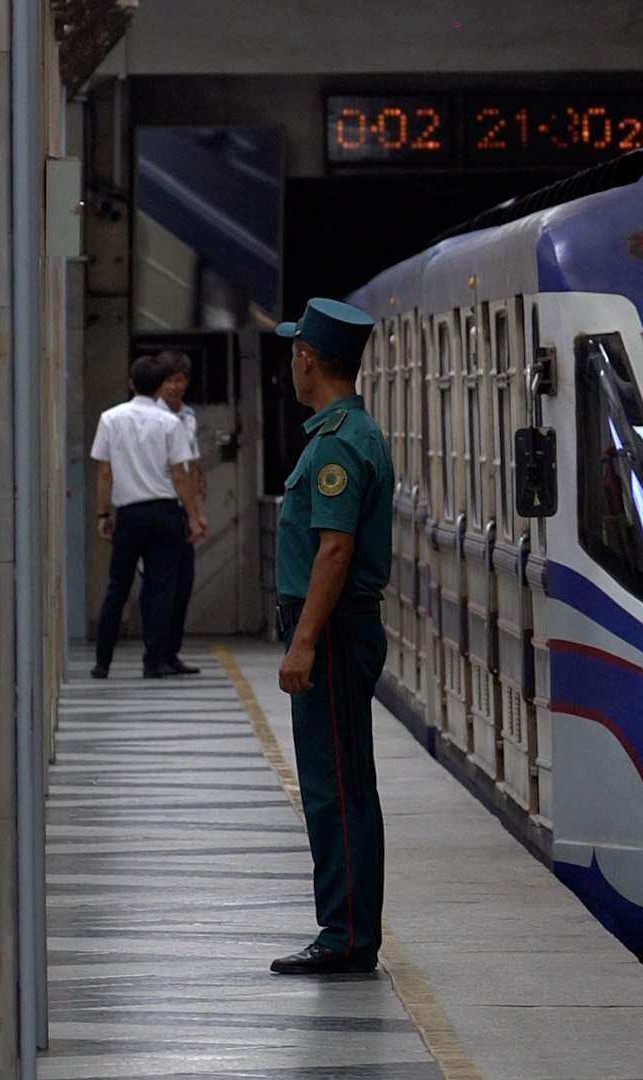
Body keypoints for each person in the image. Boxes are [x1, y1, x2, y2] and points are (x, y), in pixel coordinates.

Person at [269, 297, 393, 975]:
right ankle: (349, 928)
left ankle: (345, 935)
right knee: (344, 783)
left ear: (307, 359)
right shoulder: (346, 432)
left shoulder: (339, 443)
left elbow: (335, 549)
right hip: (340, 629)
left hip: (335, 631)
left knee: (334, 787)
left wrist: (304, 641)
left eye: (294, 353)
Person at [90, 354, 207, 679]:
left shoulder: (110, 418)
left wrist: (102, 513)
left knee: (117, 587)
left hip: (128, 514)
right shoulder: (170, 423)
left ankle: (102, 662)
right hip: (165, 513)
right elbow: (181, 475)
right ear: (158, 387)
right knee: (161, 589)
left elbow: (104, 472)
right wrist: (193, 516)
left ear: (131, 383)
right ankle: (153, 661)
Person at [155, 351, 207, 675]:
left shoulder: (188, 416)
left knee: (183, 584)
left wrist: (198, 512)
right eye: (170, 381)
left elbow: (192, 466)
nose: (176, 386)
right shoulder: (152, 416)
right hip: (162, 502)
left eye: (181, 380)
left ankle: (172, 650)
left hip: (184, 505)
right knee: (162, 586)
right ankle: (157, 652)